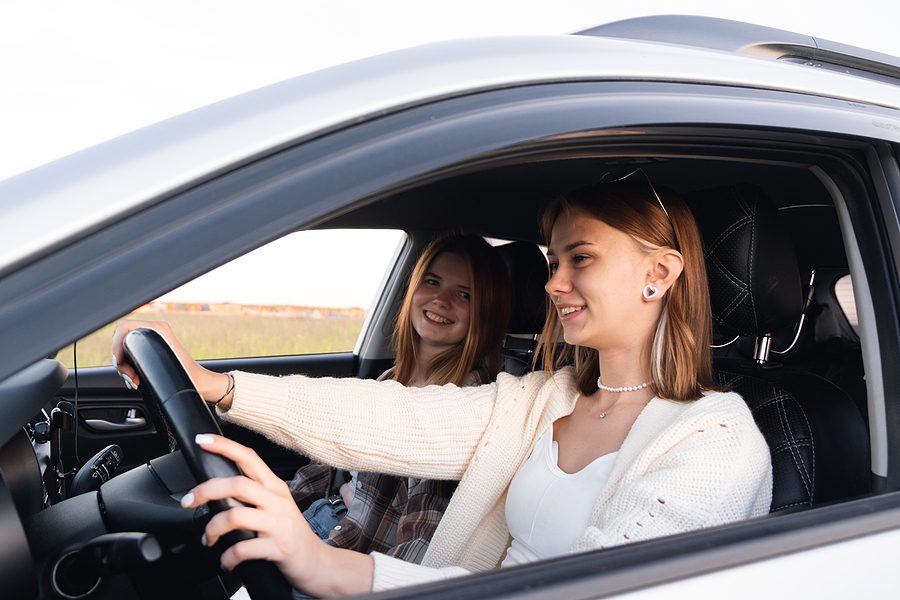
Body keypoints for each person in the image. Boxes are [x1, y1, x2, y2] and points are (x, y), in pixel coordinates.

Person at [112, 175, 773, 598]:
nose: (551, 284)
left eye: (581, 259)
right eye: (552, 263)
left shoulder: (717, 443)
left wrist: (332, 568)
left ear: (659, 272)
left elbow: (594, 591)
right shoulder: (543, 398)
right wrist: (220, 386)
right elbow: (397, 418)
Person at [289, 233, 512, 564]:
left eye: (464, 294)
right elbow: (329, 461)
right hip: (325, 524)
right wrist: (276, 500)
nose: (440, 300)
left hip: (352, 558)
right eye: (432, 282)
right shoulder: (393, 379)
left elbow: (424, 536)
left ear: (485, 312)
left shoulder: (464, 406)